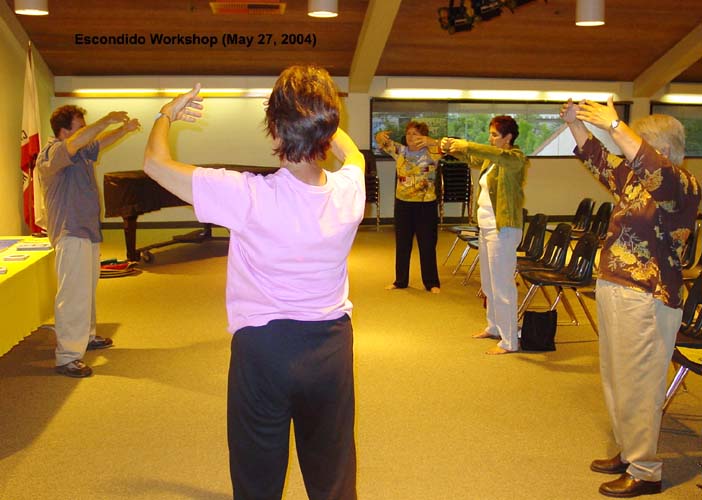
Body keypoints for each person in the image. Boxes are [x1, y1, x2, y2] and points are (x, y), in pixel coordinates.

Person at [143, 65, 365, 500]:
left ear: (275, 129)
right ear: (327, 127)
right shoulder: (350, 189)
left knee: (257, 479)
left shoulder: (246, 194)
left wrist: (167, 114)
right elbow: (352, 153)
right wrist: (321, 119)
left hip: (264, 352)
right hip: (331, 350)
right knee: (333, 477)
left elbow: (155, 163)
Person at [561, 97, 700, 498]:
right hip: (615, 286)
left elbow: (652, 168)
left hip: (648, 295)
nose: (625, 148)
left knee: (640, 385)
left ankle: (645, 470)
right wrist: (575, 124)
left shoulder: (681, 185)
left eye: (636, 142)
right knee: (617, 377)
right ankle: (628, 451)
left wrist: (615, 125)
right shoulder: (635, 180)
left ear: (664, 148)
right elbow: (598, 159)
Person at [37, 106, 140, 377]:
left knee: (86, 290)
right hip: (70, 232)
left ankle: (87, 336)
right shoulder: (53, 153)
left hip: (87, 231)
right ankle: (68, 356)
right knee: (73, 295)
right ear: (64, 132)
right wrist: (106, 120)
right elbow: (80, 141)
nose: (86, 131)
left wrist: (123, 130)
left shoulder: (80, 151)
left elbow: (99, 142)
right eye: (80, 127)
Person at [441, 116, 528, 354]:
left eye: (495, 135)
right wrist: (449, 147)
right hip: (487, 227)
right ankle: (494, 327)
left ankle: (509, 340)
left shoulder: (515, 158)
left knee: (502, 285)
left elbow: (488, 153)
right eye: (490, 134)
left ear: (508, 137)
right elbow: (471, 157)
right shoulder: (492, 160)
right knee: (489, 284)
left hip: (504, 229)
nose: (490, 138)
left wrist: (467, 144)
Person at [376, 122, 442, 293]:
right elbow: (381, 141)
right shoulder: (401, 151)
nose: (411, 137)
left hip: (426, 205)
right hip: (403, 204)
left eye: (415, 134)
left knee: (427, 244)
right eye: (409, 133)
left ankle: (431, 282)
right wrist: (379, 136)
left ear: (423, 136)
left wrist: (431, 141)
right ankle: (400, 281)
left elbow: (449, 147)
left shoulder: (432, 152)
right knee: (402, 244)